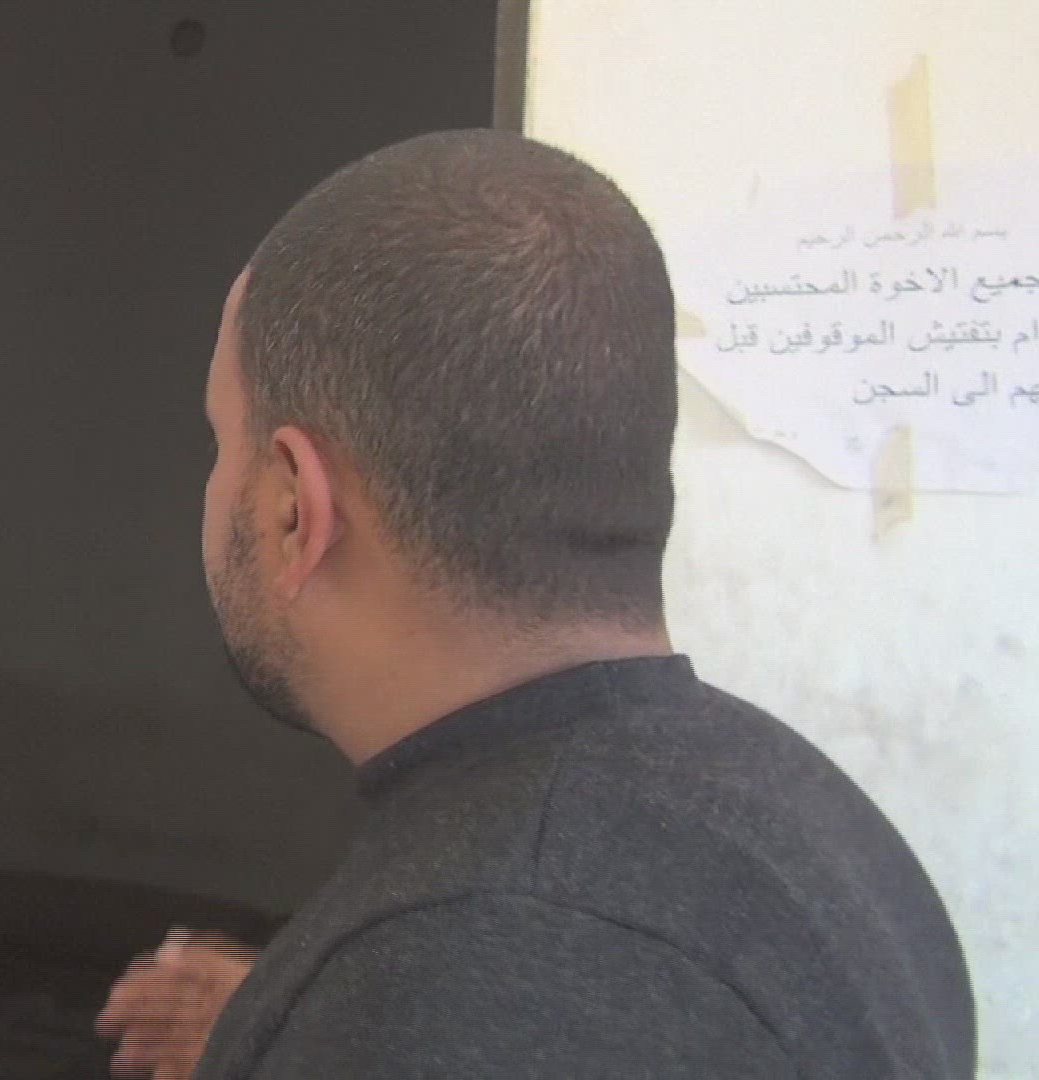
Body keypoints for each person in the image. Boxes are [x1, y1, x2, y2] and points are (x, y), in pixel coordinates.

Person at [95, 130, 974, 1079]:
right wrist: (297, 1022)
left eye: (221, 440)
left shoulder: (468, 970)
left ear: (293, 507)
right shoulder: (816, 824)